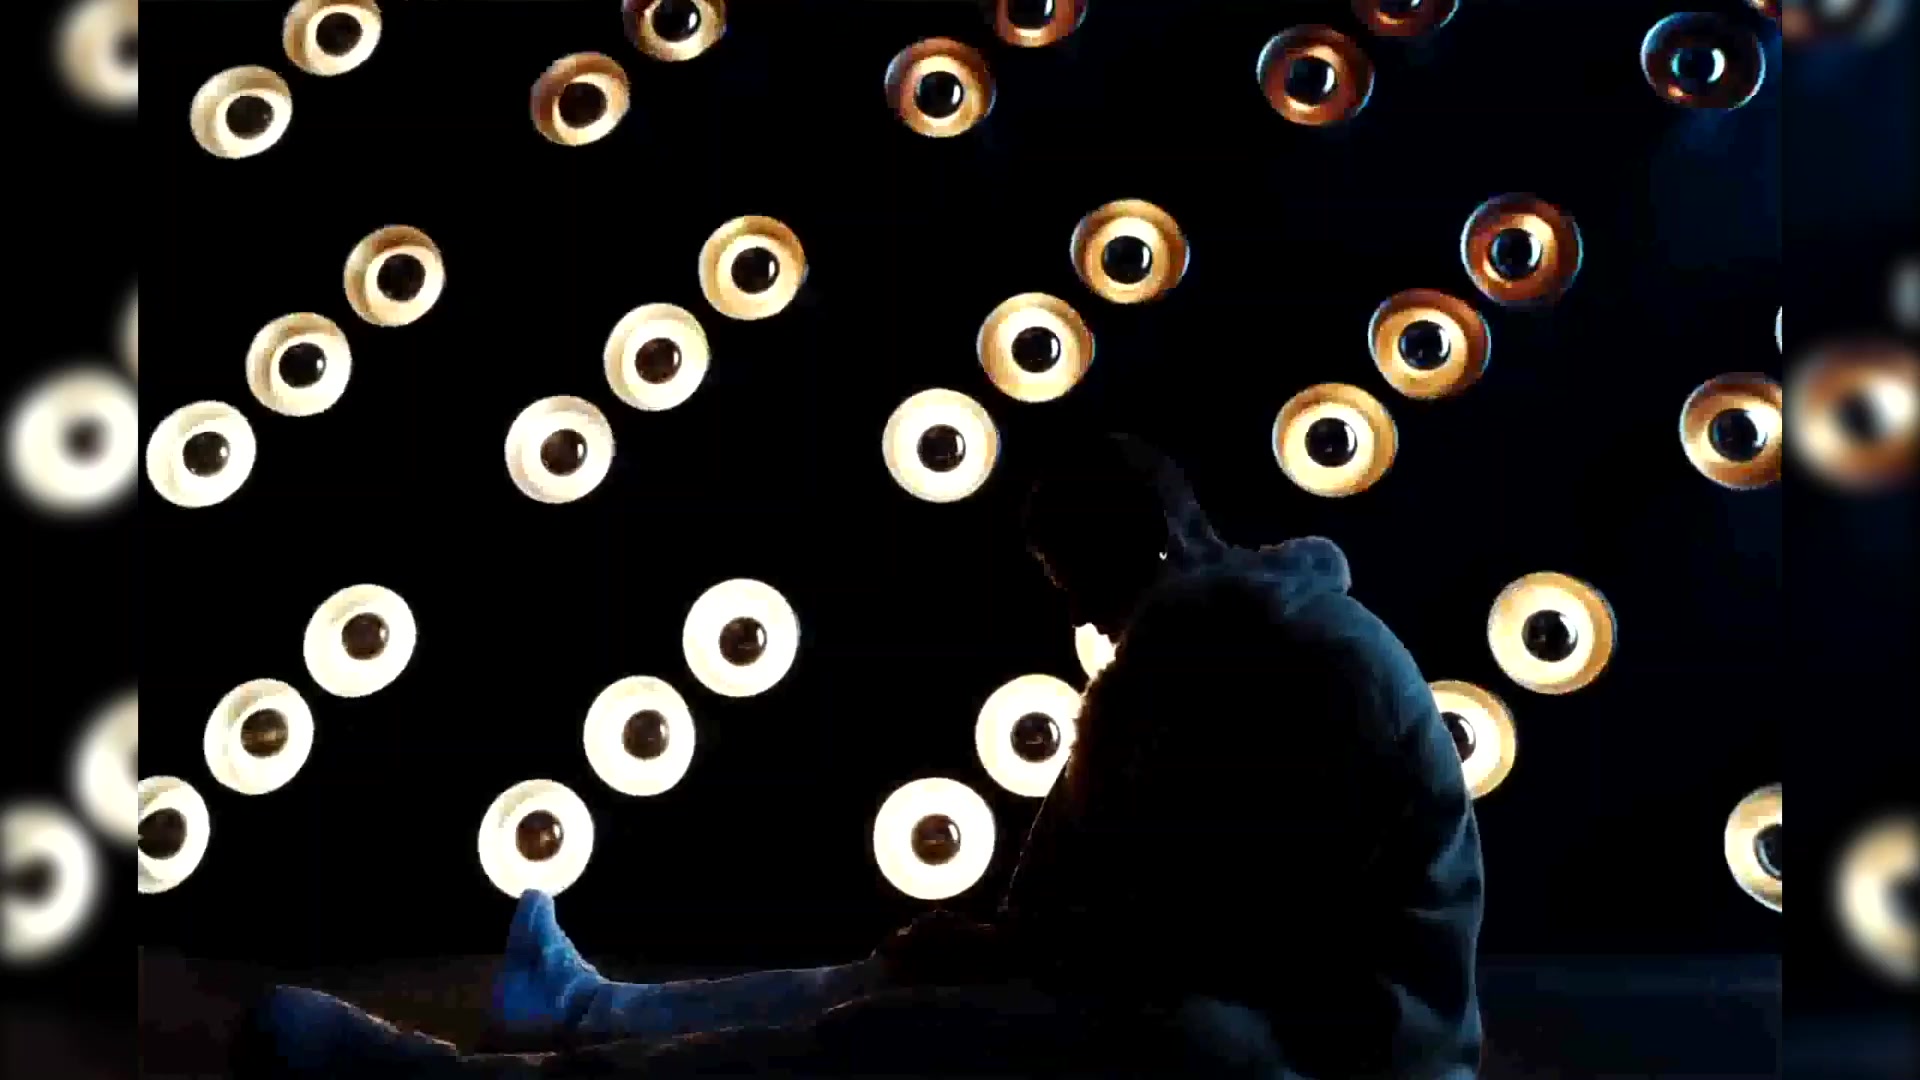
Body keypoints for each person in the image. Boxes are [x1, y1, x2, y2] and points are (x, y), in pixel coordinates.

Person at [234, 432, 1483, 1078]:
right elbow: (1104, 897)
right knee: (887, 983)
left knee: (879, 1042)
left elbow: (1222, 935)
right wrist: (997, 941)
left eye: (1075, 577)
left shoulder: (1287, 666)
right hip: (1225, 1006)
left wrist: (1010, 953)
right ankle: (582, 1014)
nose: (1077, 613)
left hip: (1322, 1055)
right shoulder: (1200, 654)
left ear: (1151, 538)